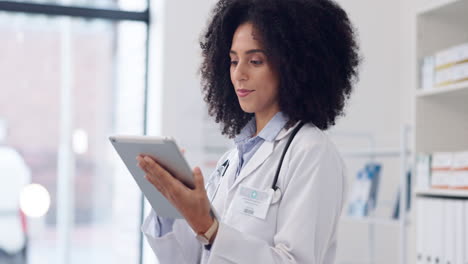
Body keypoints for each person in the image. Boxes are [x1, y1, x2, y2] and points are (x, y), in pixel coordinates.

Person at [138, 0, 360, 262]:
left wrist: (209, 229)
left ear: (294, 65)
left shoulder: (312, 152)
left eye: (255, 61)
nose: (239, 74)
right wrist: (169, 202)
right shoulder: (232, 159)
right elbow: (194, 257)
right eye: (233, 61)